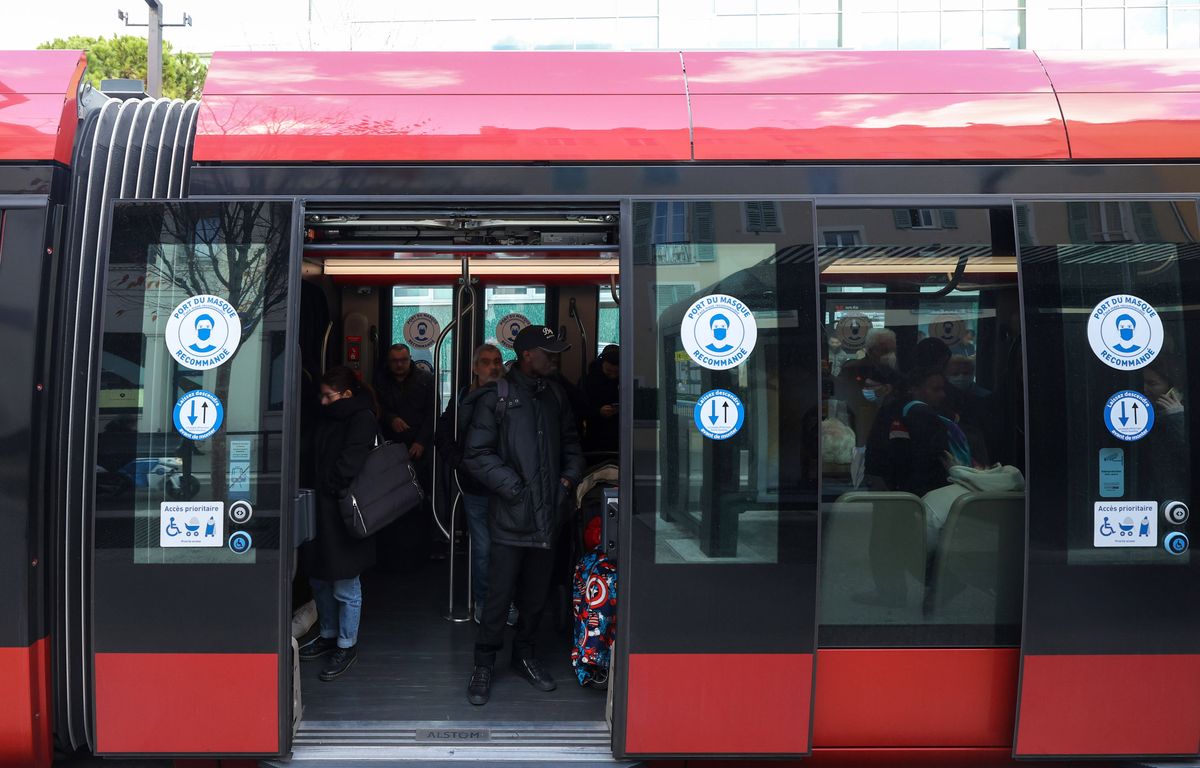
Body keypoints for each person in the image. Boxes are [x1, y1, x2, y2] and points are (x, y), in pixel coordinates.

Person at [463, 325, 585, 706]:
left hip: (549, 517)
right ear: (528, 355)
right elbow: (476, 454)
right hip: (510, 519)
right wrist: (516, 489)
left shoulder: (554, 395)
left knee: (535, 599)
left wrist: (566, 483)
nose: (555, 359)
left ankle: (525, 655)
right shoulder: (496, 397)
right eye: (549, 353)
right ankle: (484, 664)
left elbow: (572, 445)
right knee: (498, 600)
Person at [298, 367, 379, 681]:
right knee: (319, 577)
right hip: (322, 507)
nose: (322, 401)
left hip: (342, 510)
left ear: (346, 395)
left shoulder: (361, 418)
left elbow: (351, 462)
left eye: (328, 395)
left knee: (345, 582)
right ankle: (329, 635)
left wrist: (329, 486)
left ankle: (347, 644)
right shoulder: (330, 416)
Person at [434, 344, 507, 624]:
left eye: (497, 361)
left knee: (507, 550)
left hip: (505, 485)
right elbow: (442, 431)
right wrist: (458, 460)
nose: (493, 367)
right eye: (487, 362)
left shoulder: (509, 396)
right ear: (475, 368)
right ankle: (483, 601)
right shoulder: (463, 397)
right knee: (483, 548)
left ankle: (505, 601)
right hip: (475, 485)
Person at [375, 343, 436, 565]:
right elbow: (376, 407)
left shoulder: (425, 380)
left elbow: (432, 413)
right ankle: (393, 553)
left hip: (419, 448)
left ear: (410, 359)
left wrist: (421, 442)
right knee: (392, 502)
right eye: (395, 361)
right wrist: (390, 418)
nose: (400, 365)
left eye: (404, 360)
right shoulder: (381, 380)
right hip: (390, 449)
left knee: (420, 500)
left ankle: (421, 552)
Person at [580, 344, 620, 455]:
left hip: (619, 434)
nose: (612, 376)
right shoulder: (588, 381)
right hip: (595, 434)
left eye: (616, 373)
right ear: (601, 364)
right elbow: (579, 409)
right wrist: (598, 411)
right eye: (608, 371)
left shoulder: (626, 381)